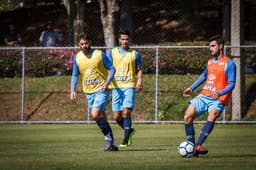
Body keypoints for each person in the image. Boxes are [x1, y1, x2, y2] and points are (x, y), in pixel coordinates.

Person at [182, 35, 236, 156]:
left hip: (217, 99)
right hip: (204, 95)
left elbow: (232, 84)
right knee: (187, 117)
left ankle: (198, 145)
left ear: (221, 46)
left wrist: (220, 93)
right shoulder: (210, 62)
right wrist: (191, 88)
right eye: (209, 46)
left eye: (213, 46)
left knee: (212, 115)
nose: (210, 48)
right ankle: (192, 147)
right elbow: (203, 76)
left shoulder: (229, 64)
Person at [70, 32, 118, 151]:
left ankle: (108, 139)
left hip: (102, 89)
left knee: (95, 114)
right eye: (81, 44)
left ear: (90, 42)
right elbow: (75, 74)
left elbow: (112, 69)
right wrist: (72, 89)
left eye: (86, 43)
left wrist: (107, 83)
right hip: (89, 92)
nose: (84, 46)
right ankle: (113, 143)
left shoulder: (99, 54)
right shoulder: (77, 57)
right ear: (78, 44)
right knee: (101, 116)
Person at [108, 30, 143, 147]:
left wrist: (139, 81)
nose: (124, 41)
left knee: (126, 112)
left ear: (129, 40)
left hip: (129, 86)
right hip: (116, 87)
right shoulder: (112, 53)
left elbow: (139, 70)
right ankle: (130, 131)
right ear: (119, 40)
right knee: (116, 116)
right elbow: (108, 68)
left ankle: (126, 138)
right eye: (122, 39)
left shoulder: (135, 54)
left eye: (126, 39)